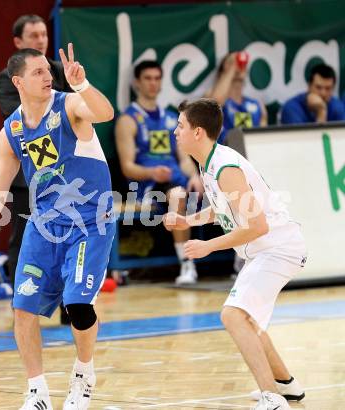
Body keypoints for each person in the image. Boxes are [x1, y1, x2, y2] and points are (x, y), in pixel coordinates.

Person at [0, 45, 115, 410]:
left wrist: (83, 84)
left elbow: (105, 113)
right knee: (23, 309)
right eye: (39, 72)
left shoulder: (69, 105)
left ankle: (83, 375)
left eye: (48, 70)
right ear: (18, 81)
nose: (48, 77)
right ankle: (37, 391)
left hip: (90, 221)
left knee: (77, 306)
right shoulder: (10, 131)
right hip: (44, 225)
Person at [164, 98, 307, 410]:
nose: (175, 131)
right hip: (268, 249)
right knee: (250, 321)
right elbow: (222, 210)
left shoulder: (226, 166)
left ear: (198, 132)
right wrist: (189, 220)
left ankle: (272, 399)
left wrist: (207, 246)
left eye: (180, 126)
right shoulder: (209, 163)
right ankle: (287, 386)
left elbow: (257, 226)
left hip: (277, 248)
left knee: (232, 315)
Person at [0, 14, 71, 286]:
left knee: (67, 234)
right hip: (27, 173)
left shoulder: (62, 71)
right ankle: (21, 299)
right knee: (24, 237)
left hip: (64, 171)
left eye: (44, 34)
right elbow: (24, 119)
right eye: (33, 36)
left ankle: (69, 304)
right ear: (18, 42)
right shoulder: (8, 78)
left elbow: (79, 115)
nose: (41, 40)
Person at [115, 60, 201, 285]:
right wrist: (152, 172)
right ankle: (186, 263)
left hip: (178, 179)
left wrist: (194, 176)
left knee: (226, 193)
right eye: (148, 78)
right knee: (178, 195)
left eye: (157, 78)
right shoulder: (128, 119)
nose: (153, 83)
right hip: (149, 186)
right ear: (137, 83)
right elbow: (127, 167)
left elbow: (184, 159)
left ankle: (241, 261)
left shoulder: (173, 118)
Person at [206, 52, 267, 143]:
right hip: (223, 153)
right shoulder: (210, 96)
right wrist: (231, 68)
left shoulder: (256, 104)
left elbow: (263, 139)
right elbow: (214, 105)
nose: (238, 67)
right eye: (230, 63)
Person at [281, 63, 345, 124]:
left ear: (333, 89)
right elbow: (300, 135)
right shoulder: (291, 108)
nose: (323, 93)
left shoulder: (338, 108)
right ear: (309, 86)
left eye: (328, 88)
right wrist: (321, 112)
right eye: (318, 87)